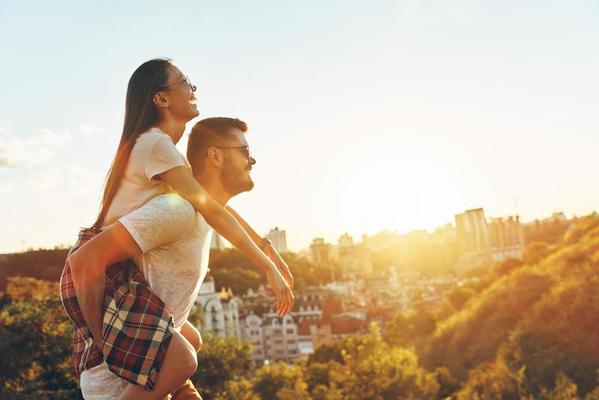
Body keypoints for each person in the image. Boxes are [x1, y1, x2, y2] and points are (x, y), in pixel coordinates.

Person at [60, 58, 293, 398]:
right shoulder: (155, 147)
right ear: (162, 98)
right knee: (183, 358)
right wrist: (101, 342)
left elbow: (214, 208)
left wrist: (268, 252)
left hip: (113, 270)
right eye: (185, 81)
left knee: (190, 341)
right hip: (104, 273)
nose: (193, 88)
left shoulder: (167, 160)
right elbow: (208, 208)